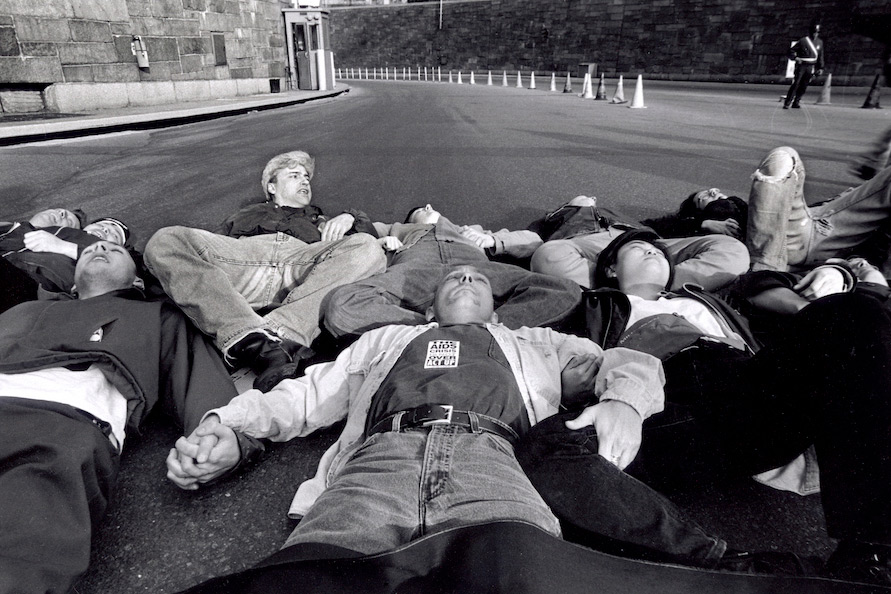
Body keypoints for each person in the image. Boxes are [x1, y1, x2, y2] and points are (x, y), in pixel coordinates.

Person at [165, 265, 665, 562]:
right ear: (428, 311)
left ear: (496, 311)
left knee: (519, 568)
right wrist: (229, 426)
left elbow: (624, 361)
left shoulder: (535, 342)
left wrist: (624, 402)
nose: (467, 275)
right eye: (453, 278)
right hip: (378, 464)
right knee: (315, 570)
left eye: (477, 277)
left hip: (497, 462)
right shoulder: (385, 338)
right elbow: (304, 394)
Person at [520, 230, 891, 585]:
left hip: (744, 389)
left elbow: (733, 254)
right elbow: (554, 257)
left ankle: (873, 555)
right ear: (611, 268)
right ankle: (730, 568)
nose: (654, 250)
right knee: (549, 443)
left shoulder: (712, 295)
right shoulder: (587, 301)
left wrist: (835, 271)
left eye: (662, 252)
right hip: (662, 402)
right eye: (636, 248)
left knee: (853, 310)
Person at [0, 241, 239, 594]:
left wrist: (221, 433)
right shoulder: (22, 307)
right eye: (88, 250)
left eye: (117, 249)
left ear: (138, 282)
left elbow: (198, 378)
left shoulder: (155, 316)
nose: (98, 246)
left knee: (25, 547)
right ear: (72, 283)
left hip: (58, 424)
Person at [144, 150, 387, 391]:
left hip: (299, 265)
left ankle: (273, 337)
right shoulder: (244, 215)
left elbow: (371, 237)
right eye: (294, 175)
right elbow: (200, 256)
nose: (304, 181)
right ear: (271, 187)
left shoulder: (322, 219)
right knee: (166, 239)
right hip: (245, 259)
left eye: (306, 177)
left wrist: (350, 217)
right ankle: (245, 333)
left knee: (367, 248)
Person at [321, 204, 582, 341]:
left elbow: (533, 240)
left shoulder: (469, 228)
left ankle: (483, 326)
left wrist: (492, 241)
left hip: (479, 270)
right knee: (343, 303)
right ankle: (442, 328)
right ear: (410, 220)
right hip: (415, 271)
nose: (428, 206)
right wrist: (350, 217)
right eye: (420, 210)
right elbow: (359, 229)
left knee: (562, 289)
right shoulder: (394, 228)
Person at [529, 195, 749, 291]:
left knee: (733, 251)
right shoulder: (564, 216)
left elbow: (660, 225)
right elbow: (535, 240)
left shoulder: (689, 222)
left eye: (718, 196)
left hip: (650, 244)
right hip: (594, 245)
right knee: (548, 256)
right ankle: (641, 282)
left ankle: (645, 283)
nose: (591, 199)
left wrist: (702, 224)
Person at [746, 145, 891, 276]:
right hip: (800, 229)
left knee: (782, 157)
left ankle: (765, 271)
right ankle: (768, 267)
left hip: (820, 237)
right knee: (782, 157)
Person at [642, 188, 747, 240]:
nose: (713, 192)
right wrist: (705, 224)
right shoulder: (698, 223)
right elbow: (664, 224)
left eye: (710, 190)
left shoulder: (742, 206)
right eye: (703, 198)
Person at [783, 21, 824, 109]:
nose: (815, 34)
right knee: (796, 83)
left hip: (810, 66)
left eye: (817, 32)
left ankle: (797, 101)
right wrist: (795, 58)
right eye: (814, 32)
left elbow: (820, 56)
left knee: (804, 85)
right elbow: (791, 51)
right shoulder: (803, 41)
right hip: (802, 66)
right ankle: (787, 102)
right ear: (810, 32)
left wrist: (821, 67)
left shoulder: (819, 42)